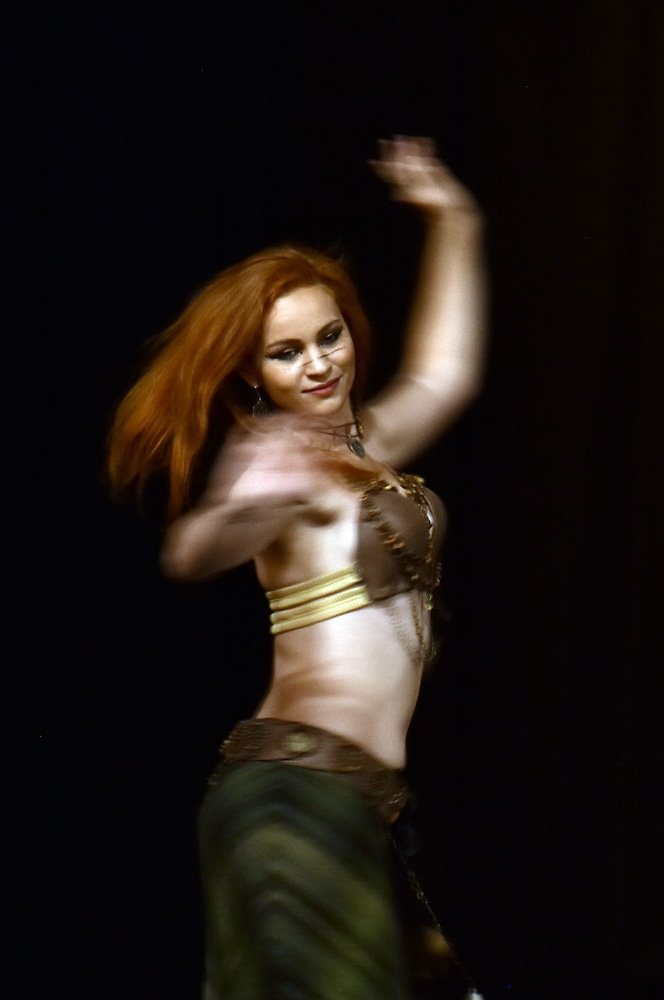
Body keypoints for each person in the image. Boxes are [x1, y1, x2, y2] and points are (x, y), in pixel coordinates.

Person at [108, 137, 486, 1000]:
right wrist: (252, 503)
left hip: (349, 802)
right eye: (285, 353)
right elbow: (193, 549)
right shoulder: (279, 463)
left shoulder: (369, 447)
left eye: (329, 336)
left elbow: (444, 373)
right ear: (252, 370)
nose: (318, 364)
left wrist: (455, 220)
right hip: (292, 797)